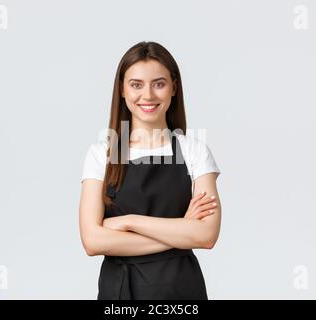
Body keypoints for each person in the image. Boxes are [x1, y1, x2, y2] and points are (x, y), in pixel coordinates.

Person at [79, 41, 221, 300]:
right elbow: (93, 241)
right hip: (120, 294)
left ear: (173, 87)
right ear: (122, 89)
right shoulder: (102, 154)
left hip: (181, 293)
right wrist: (182, 232)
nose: (148, 95)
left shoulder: (194, 151)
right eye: (136, 84)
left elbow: (207, 235)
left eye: (159, 83)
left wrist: (128, 222)